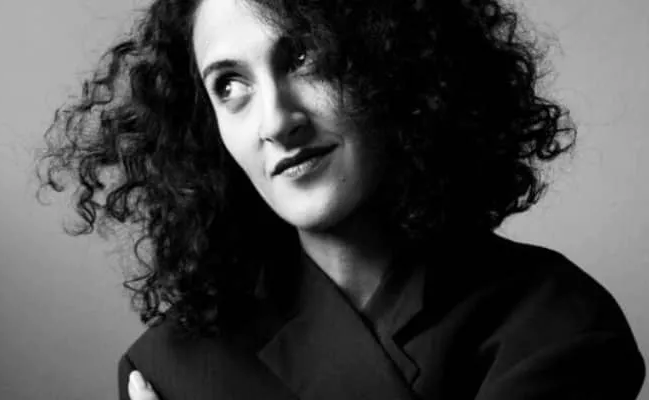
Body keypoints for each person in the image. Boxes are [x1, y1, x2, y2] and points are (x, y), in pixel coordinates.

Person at [37, 0, 645, 398]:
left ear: (393, 57)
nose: (276, 120)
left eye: (303, 57)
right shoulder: (171, 366)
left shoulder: (556, 323)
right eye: (230, 85)